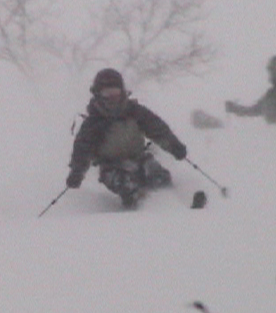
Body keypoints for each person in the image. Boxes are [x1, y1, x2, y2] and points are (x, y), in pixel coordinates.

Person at [66, 68, 187, 208]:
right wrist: (77, 173)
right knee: (126, 185)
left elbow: (158, 129)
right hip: (111, 167)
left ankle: (173, 205)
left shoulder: (134, 111)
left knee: (158, 176)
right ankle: (140, 211)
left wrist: (174, 146)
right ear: (98, 95)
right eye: (107, 94)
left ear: (122, 92)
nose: (112, 98)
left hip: (140, 158)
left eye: (115, 93)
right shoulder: (94, 122)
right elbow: (82, 149)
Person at [225, 55, 276, 124]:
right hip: (275, 137)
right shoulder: (271, 95)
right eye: (271, 70)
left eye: (275, 69)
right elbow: (254, 110)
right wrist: (235, 109)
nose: (273, 73)